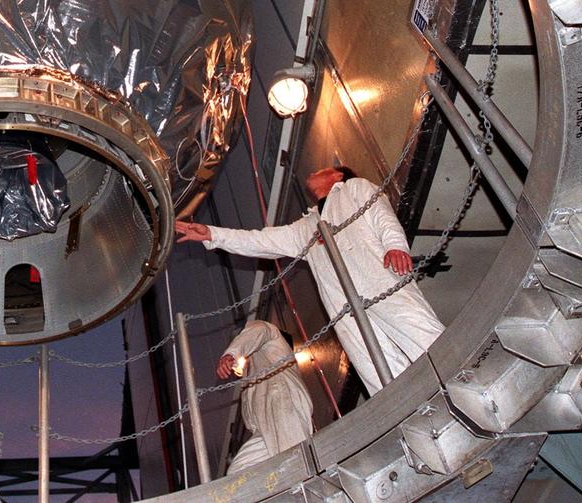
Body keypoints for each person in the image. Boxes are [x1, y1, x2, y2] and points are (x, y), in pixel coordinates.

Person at [176, 167, 444, 396]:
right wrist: (212, 234)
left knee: (419, 332)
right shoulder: (307, 226)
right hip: (345, 309)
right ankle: (409, 415)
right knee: (375, 365)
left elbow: (382, 215)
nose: (313, 172)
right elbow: (260, 240)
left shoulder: (354, 188)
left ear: (338, 175)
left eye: (322, 169)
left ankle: (459, 375)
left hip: (379, 277)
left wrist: (396, 246)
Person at [217, 320, 314, 474]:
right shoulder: (249, 378)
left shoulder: (266, 331)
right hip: (262, 429)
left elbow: (258, 331)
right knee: (237, 472)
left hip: (282, 403)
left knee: (296, 462)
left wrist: (232, 353)